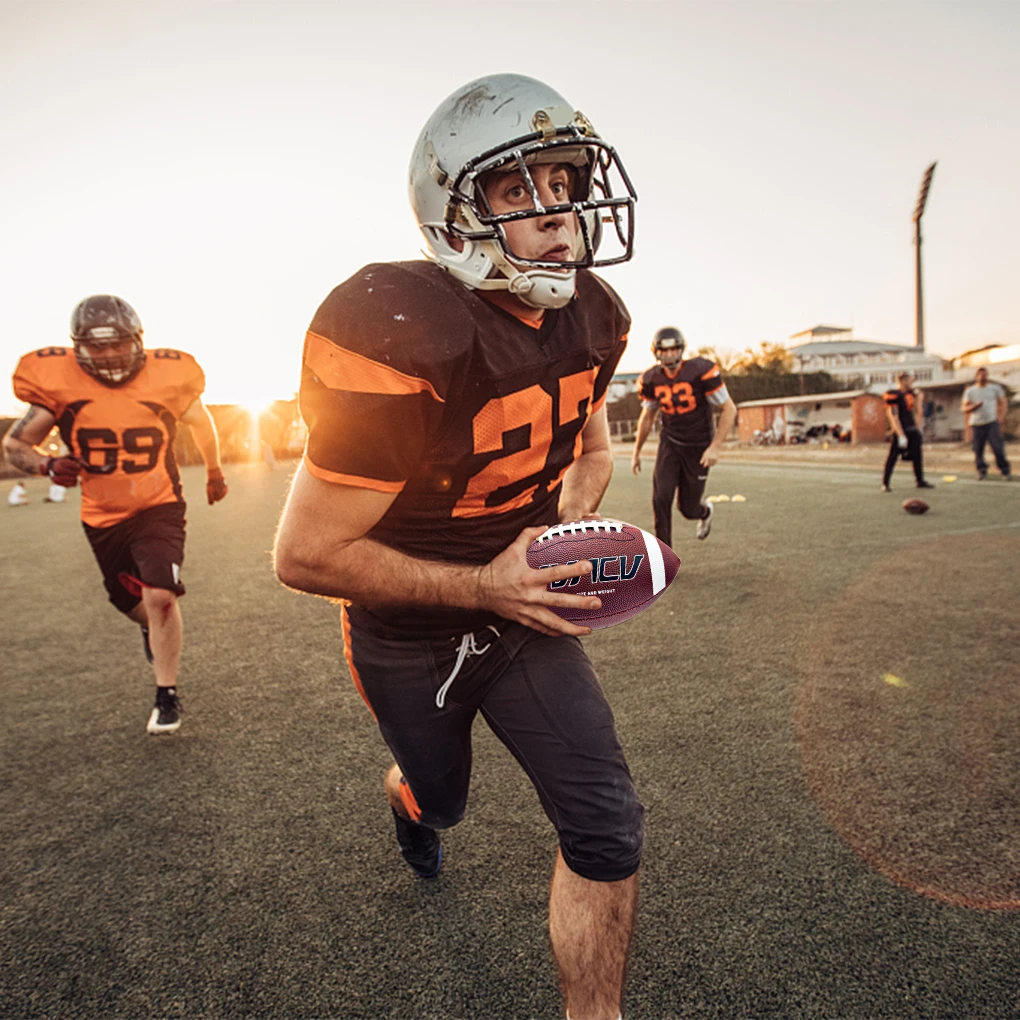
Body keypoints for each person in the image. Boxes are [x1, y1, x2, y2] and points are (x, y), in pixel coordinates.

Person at [274, 74, 641, 1020]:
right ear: (454, 211)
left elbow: (591, 445)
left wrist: (562, 525)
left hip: (523, 613)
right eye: (518, 191)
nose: (557, 213)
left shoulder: (595, 316)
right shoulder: (399, 325)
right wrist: (484, 580)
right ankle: (412, 803)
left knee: (605, 828)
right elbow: (306, 554)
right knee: (444, 799)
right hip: (406, 630)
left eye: (565, 182)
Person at [3, 295, 228, 734]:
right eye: (96, 347)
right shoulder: (58, 384)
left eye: (116, 344)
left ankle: (166, 694)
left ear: (138, 341)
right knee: (128, 602)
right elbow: (15, 445)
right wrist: (48, 465)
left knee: (161, 594)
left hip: (159, 503)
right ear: (77, 348)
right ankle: (149, 629)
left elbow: (202, 424)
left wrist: (215, 471)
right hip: (102, 514)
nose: (108, 355)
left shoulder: (168, 376)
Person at [629, 327, 737, 546]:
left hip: (698, 446)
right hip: (671, 442)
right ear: (656, 352)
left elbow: (729, 409)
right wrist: (636, 452)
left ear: (681, 350)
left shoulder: (700, 371)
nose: (669, 355)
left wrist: (715, 447)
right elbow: (647, 416)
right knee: (661, 498)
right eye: (664, 350)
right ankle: (663, 559)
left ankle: (704, 512)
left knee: (688, 508)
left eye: (673, 349)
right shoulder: (651, 379)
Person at [881, 371, 935, 492]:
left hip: (912, 429)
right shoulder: (894, 394)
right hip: (901, 430)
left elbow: (917, 411)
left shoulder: (910, 395)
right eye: (910, 380)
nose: (912, 383)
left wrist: (918, 427)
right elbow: (893, 415)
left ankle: (920, 480)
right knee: (893, 456)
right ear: (903, 381)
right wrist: (900, 435)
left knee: (917, 456)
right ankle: (886, 482)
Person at [961, 367, 1011, 481]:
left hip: (991, 422)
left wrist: (1001, 418)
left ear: (987, 376)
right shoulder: (970, 391)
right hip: (976, 424)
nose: (982, 377)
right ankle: (981, 470)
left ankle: (1005, 470)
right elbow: (964, 408)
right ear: (976, 376)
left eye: (984, 375)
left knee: (997, 447)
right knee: (978, 449)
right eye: (980, 375)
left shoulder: (995, 388)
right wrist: (973, 407)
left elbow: (1003, 402)